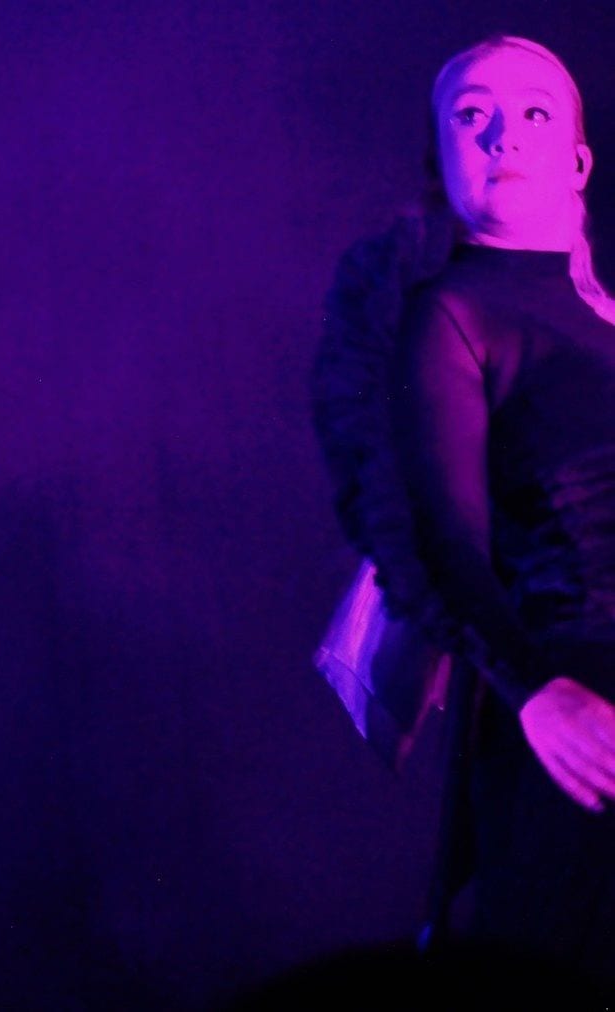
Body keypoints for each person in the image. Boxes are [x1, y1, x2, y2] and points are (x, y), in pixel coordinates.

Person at [315, 36, 615, 990]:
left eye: (533, 113)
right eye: (471, 115)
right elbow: (444, 538)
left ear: (578, 159)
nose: (502, 134)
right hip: (581, 702)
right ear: (442, 156)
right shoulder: (452, 312)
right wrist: (536, 692)